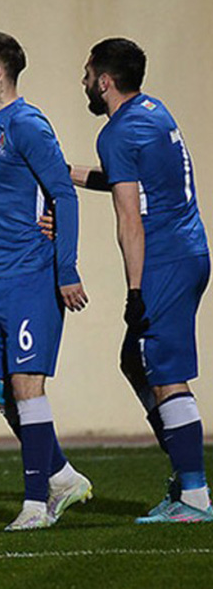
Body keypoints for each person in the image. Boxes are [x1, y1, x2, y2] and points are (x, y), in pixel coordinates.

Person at [0, 31, 91, 530]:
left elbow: (64, 195)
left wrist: (66, 269)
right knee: (0, 389)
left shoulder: (28, 125)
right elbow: (1, 191)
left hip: (33, 275)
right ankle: (61, 475)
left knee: (26, 385)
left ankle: (36, 503)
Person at [76, 37, 211, 522]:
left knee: (165, 372)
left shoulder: (116, 133)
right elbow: (127, 179)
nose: (83, 82)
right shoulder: (154, 112)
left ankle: (194, 494)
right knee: (135, 360)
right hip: (190, 252)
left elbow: (129, 217)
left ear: (105, 81)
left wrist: (134, 291)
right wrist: (63, 172)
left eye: (87, 74)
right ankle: (184, 472)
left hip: (165, 260)